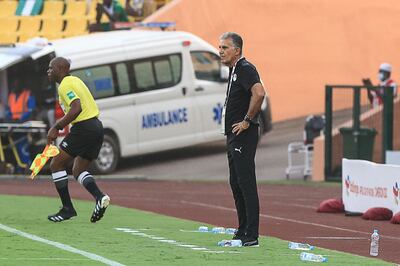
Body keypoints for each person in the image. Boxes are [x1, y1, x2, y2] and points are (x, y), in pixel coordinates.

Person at [46, 57, 110, 223]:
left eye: (51, 68)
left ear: (60, 68)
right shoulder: (76, 81)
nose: (48, 71)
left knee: (56, 164)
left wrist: (56, 127)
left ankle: (67, 208)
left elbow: (76, 108)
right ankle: (100, 197)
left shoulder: (65, 85)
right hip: (96, 127)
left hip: (84, 128)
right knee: (78, 171)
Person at [218, 32, 265, 247]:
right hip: (233, 135)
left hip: (243, 135)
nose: (221, 51)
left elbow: (259, 93)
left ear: (237, 50)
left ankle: (251, 235)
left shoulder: (245, 69)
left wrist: (247, 120)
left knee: (245, 183)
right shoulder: (234, 70)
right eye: (220, 47)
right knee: (235, 182)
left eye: (225, 47)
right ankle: (242, 229)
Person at [5, 78, 37, 168]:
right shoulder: (11, 95)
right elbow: (8, 110)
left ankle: (28, 165)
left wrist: (21, 119)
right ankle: (19, 166)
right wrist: (10, 118)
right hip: (13, 124)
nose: (15, 86)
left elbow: (31, 110)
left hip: (24, 124)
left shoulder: (28, 94)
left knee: (23, 146)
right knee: (15, 147)